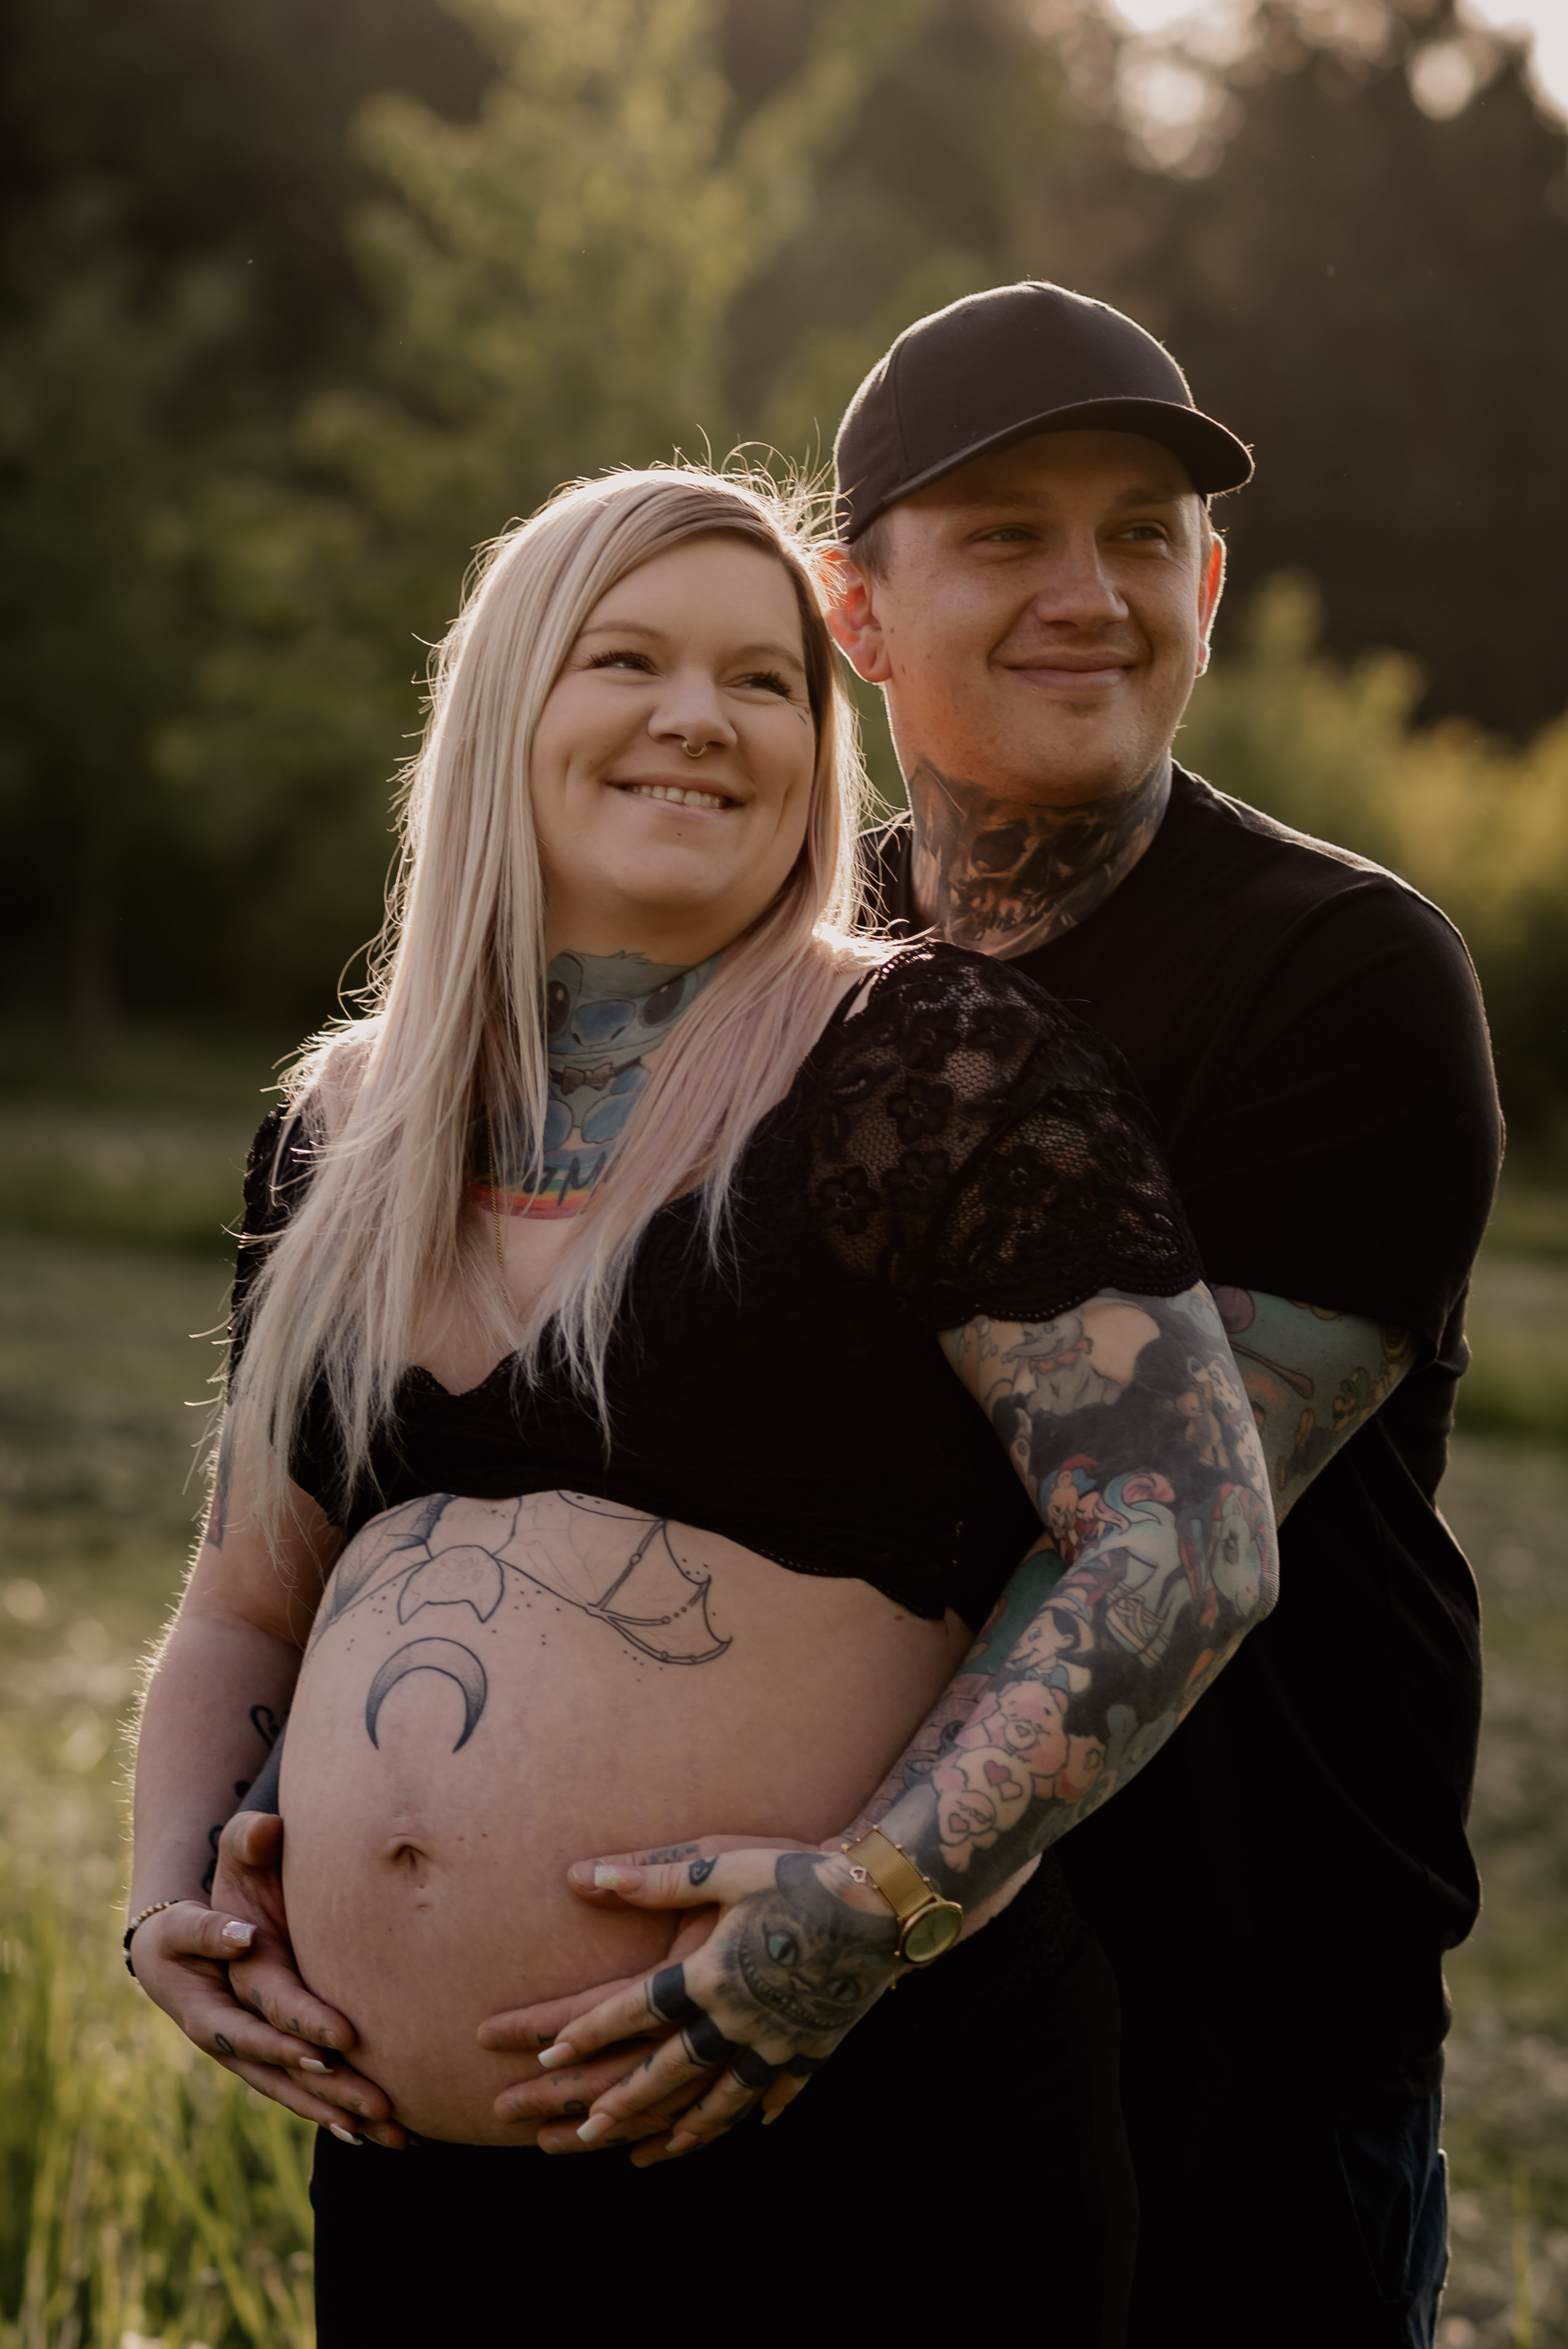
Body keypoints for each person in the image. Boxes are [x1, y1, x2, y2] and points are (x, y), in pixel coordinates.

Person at [124, 461, 1276, 2345]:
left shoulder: (934, 1067)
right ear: (505, 705)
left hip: (855, 2140)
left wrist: (867, 1908)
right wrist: (171, 1892)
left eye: (762, 680)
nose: (699, 718)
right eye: (628, 658)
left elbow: (1183, 1540)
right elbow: (250, 1597)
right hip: (420, 2189)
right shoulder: (341, 1127)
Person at [491, 290, 1500, 2348]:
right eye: (1007, 533)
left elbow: (1114, 1528)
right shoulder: (787, 974)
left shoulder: (1342, 979)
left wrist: (842, 1910)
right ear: (856, 616)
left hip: (1227, 2015)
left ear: (1206, 588)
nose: (1089, 591)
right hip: (871, 2054)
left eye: (1139, 534)